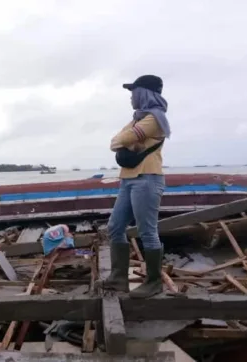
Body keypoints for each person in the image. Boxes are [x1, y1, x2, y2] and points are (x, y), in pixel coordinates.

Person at [96, 75, 171, 298]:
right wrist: (128, 140)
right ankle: (119, 278)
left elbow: (120, 140)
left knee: (147, 231)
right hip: (128, 179)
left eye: (133, 93)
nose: (130, 98)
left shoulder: (154, 119)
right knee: (115, 227)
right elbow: (114, 142)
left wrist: (128, 140)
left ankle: (154, 282)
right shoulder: (138, 119)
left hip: (148, 178)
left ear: (143, 93)